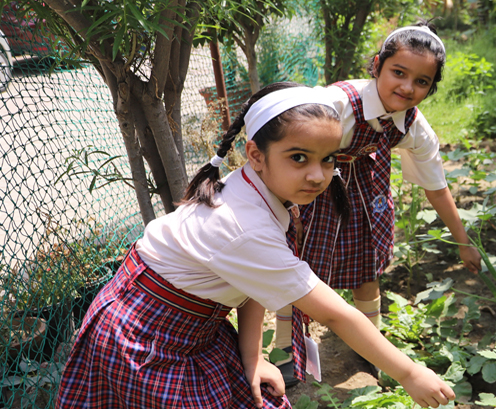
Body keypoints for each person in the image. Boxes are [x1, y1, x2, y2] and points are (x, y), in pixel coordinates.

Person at [56, 82, 455, 408]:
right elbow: (336, 315)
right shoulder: (243, 225)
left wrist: (253, 358)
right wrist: (410, 373)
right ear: (255, 155)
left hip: (193, 324)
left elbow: (253, 285)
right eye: (299, 157)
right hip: (148, 336)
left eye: (329, 159)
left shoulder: (259, 191)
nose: (318, 176)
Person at [272, 22, 482, 383]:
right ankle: (284, 351)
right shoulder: (339, 103)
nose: (407, 87)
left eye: (421, 81)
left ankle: (368, 345)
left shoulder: (414, 125)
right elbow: (286, 137)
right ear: (377, 66)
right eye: (398, 73)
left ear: (431, 88)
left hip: (367, 199)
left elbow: (436, 186)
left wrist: (463, 240)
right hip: (315, 191)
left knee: (366, 270)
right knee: (297, 273)